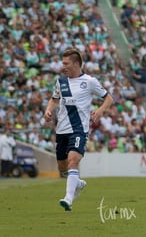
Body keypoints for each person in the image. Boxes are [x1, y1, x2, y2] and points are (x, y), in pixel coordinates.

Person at [44, 48, 113, 211]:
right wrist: (48, 110)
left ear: (76, 64)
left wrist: (100, 110)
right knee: (62, 168)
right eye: (63, 63)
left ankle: (68, 199)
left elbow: (109, 99)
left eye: (66, 63)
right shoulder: (61, 82)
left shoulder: (89, 81)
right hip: (61, 130)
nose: (63, 66)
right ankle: (79, 183)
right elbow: (54, 100)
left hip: (79, 129)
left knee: (73, 161)